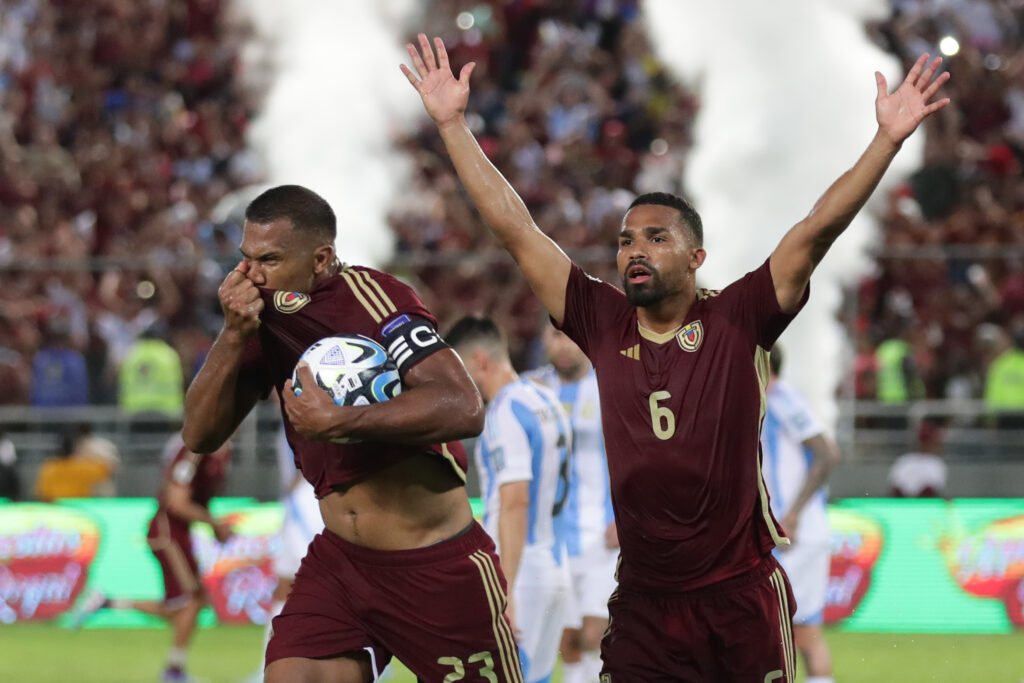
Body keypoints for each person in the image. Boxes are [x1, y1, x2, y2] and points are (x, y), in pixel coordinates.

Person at [402, 35, 950, 680]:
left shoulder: (737, 318)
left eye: (657, 238)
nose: (635, 249)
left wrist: (884, 142)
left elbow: (814, 230)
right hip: (645, 601)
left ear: (696, 259)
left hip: (739, 593)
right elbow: (517, 231)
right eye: (626, 239)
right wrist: (453, 126)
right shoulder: (601, 321)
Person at [180, 185, 521, 683]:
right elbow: (199, 434)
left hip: (436, 567)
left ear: (321, 259)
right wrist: (233, 335)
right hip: (343, 564)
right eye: (245, 258)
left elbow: (463, 406)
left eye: (268, 260)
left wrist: (342, 421)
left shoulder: (377, 299)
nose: (249, 275)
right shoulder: (261, 322)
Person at [446, 316, 571, 683]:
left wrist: (507, 590)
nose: (458, 381)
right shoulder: (544, 399)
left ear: (480, 361)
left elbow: (516, 502)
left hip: (523, 574)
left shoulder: (504, 413)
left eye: (460, 368)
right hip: (554, 564)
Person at [71, 433, 234, 683]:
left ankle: (108, 602)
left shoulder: (221, 450)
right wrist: (214, 523)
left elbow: (197, 498)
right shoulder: (194, 449)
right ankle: (173, 672)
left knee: (185, 606)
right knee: (190, 602)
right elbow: (177, 502)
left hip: (180, 535)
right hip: (167, 534)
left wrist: (213, 525)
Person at [526, 325, 616, 683]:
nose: (562, 346)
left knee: (596, 634)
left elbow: (635, 456)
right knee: (567, 640)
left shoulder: (610, 386)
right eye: (554, 336)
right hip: (553, 537)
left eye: (569, 337)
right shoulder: (532, 389)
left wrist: (625, 517)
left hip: (603, 532)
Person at [761, 346, 842, 683]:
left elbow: (827, 454)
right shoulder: (763, 402)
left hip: (797, 533)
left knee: (803, 633)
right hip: (779, 534)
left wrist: (793, 513)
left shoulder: (783, 400)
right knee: (776, 633)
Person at [34, 427, 116, 502]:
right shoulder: (83, 466)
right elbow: (107, 469)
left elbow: (42, 493)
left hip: (57, 507)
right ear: (74, 449)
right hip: (79, 508)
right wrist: (90, 454)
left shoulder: (50, 466)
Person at [888, 419, 947, 498]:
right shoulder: (904, 460)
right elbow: (895, 489)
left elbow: (930, 491)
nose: (925, 444)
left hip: (925, 506)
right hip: (902, 505)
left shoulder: (936, 463)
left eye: (927, 441)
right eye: (924, 441)